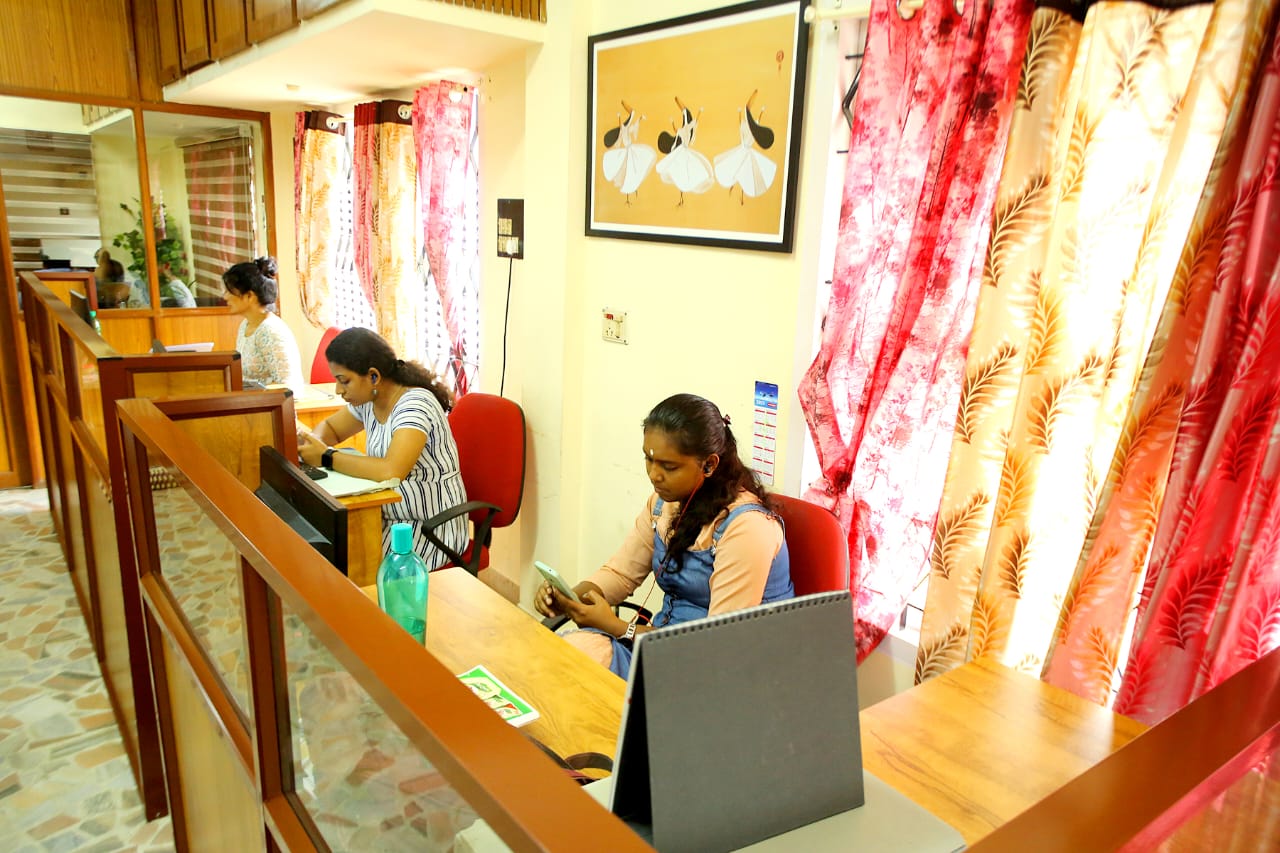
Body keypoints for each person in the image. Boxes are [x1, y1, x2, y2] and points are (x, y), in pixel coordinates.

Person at [535, 393, 794, 677]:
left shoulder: (747, 529)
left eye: (669, 467)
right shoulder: (663, 505)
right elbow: (621, 574)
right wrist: (570, 596)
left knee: (578, 669)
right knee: (567, 655)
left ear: (709, 465)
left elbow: (716, 646)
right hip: (663, 650)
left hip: (722, 672)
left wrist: (617, 627)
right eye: (648, 459)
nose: (654, 475)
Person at [298, 328, 468, 569]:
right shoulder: (369, 400)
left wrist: (326, 457)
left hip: (429, 528)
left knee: (350, 562)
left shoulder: (415, 405)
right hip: (385, 514)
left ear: (373, 377)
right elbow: (331, 428)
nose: (338, 390)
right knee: (326, 547)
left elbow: (391, 470)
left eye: (344, 381)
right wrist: (314, 441)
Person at [223, 256, 304, 392]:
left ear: (249, 296)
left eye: (229, 291)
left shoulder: (270, 331)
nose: (225, 296)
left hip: (270, 403)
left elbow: (288, 387)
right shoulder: (245, 325)